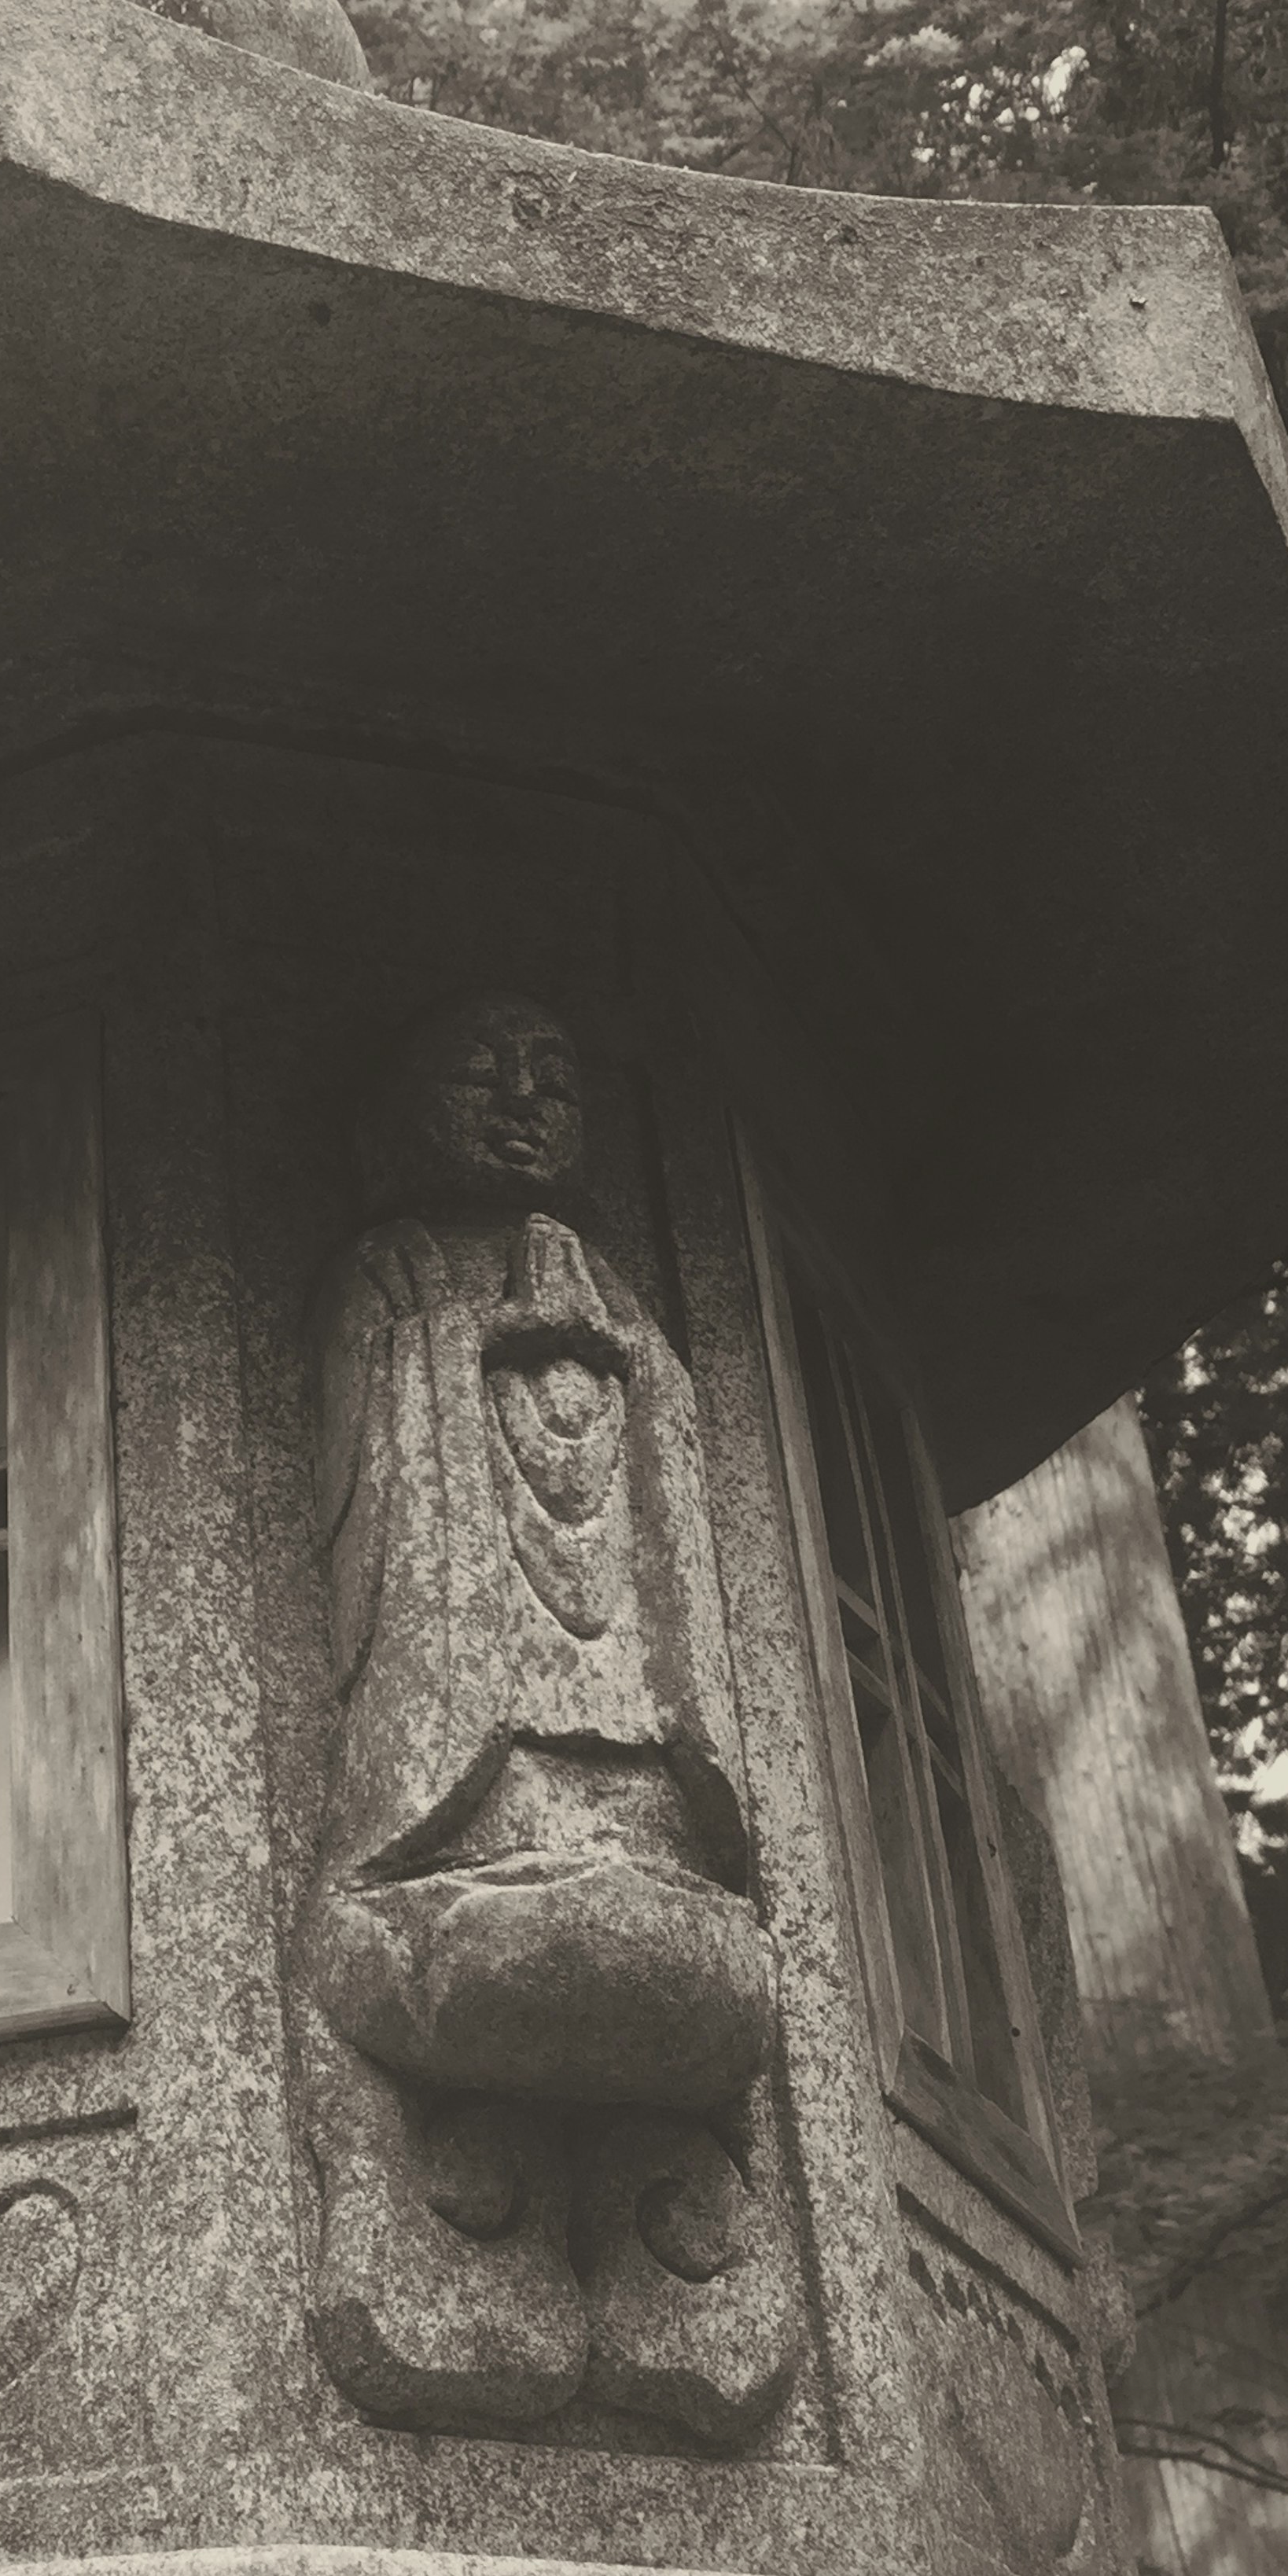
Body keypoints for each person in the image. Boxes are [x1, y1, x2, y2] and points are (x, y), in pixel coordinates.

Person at [297, 996, 795, 2438]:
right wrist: (476, 1344)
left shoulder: (617, 1292)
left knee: (638, 1838)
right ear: (403, 1108)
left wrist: (617, 1366)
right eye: (478, 1076)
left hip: (627, 1706)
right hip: (474, 1716)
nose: (522, 1104)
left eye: (555, 1082)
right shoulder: (393, 1269)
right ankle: (478, 1829)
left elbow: (677, 1462)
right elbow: (360, 1449)